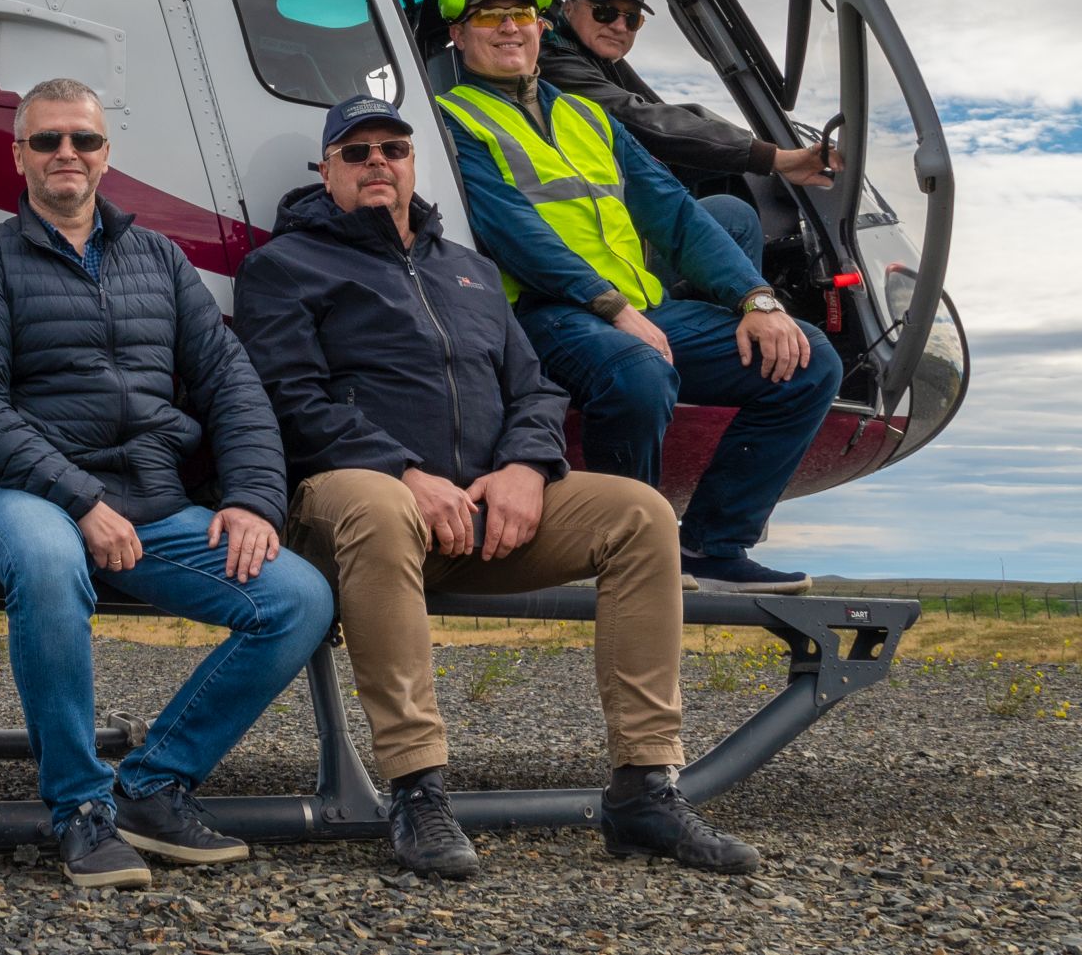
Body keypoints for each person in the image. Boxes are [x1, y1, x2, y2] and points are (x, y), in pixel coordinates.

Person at [233, 95, 761, 879]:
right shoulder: (283, 266)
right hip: (354, 510)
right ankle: (418, 789)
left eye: (394, 147)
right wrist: (408, 473)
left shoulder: (470, 269)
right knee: (379, 506)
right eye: (356, 151)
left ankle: (645, 788)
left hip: (486, 513)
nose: (378, 161)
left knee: (641, 512)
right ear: (326, 171)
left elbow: (538, 388)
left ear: (414, 163)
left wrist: (524, 466)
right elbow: (289, 398)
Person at [0, 77, 335, 890]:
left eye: (81, 138)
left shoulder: (161, 261)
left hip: (151, 504)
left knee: (298, 597)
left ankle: (152, 785)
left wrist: (254, 497)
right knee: (49, 563)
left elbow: (230, 382)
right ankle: (81, 807)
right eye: (46, 140)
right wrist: (80, 499)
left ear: (106, 154)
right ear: (20, 155)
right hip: (26, 497)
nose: (65, 153)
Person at [434, 0, 841, 596]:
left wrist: (757, 299)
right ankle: (631, 554)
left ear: (542, 28)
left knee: (809, 362)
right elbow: (510, 229)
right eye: (489, 18)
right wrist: (614, 306)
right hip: (545, 313)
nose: (509, 27)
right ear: (459, 35)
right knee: (637, 372)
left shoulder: (591, 119)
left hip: (635, 309)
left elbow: (675, 214)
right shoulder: (451, 120)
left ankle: (711, 545)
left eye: (519, 15)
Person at [539, 0, 833, 272]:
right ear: (569, 8)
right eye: (605, 12)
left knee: (729, 213)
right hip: (589, 250)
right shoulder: (555, 61)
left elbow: (656, 110)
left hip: (612, 229)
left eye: (632, 19)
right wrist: (773, 158)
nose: (619, 26)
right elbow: (639, 118)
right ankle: (751, 314)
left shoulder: (598, 61)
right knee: (736, 218)